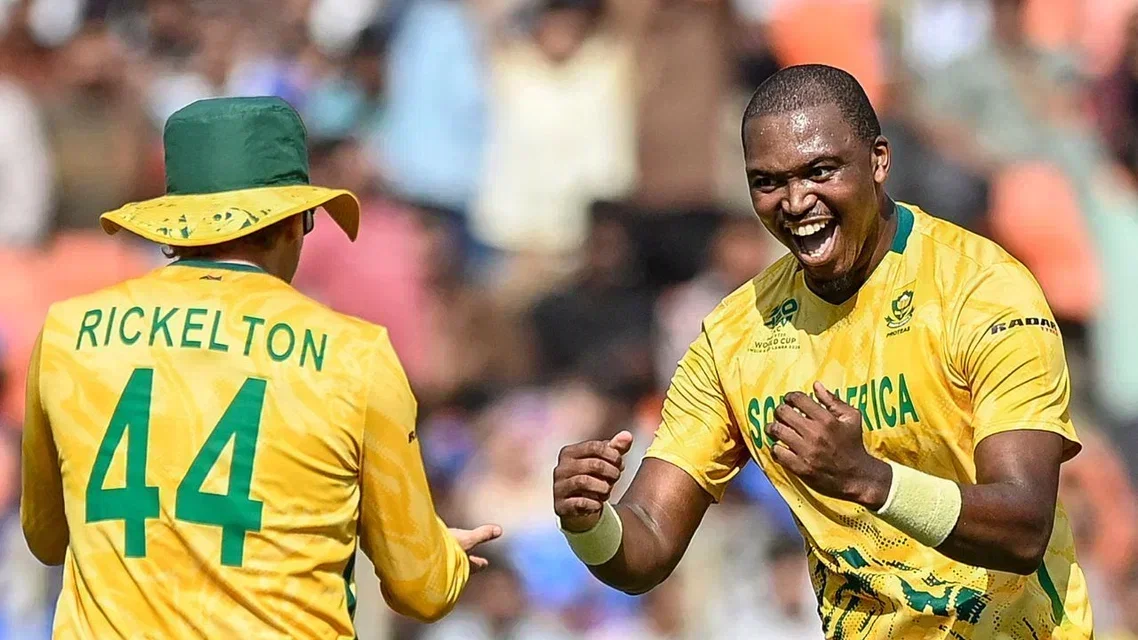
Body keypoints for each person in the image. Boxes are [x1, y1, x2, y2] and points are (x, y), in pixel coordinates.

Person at [552, 65, 1093, 638]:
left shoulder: (982, 290)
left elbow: (1023, 528)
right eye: (767, 182)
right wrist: (589, 523)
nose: (795, 200)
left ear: (878, 161)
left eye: (820, 171)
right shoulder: (734, 337)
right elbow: (649, 544)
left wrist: (867, 478)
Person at [20, 96, 500, 638]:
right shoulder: (354, 356)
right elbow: (422, 588)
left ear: (174, 224)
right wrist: (441, 555)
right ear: (295, 221)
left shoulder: (68, 332)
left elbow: (45, 537)